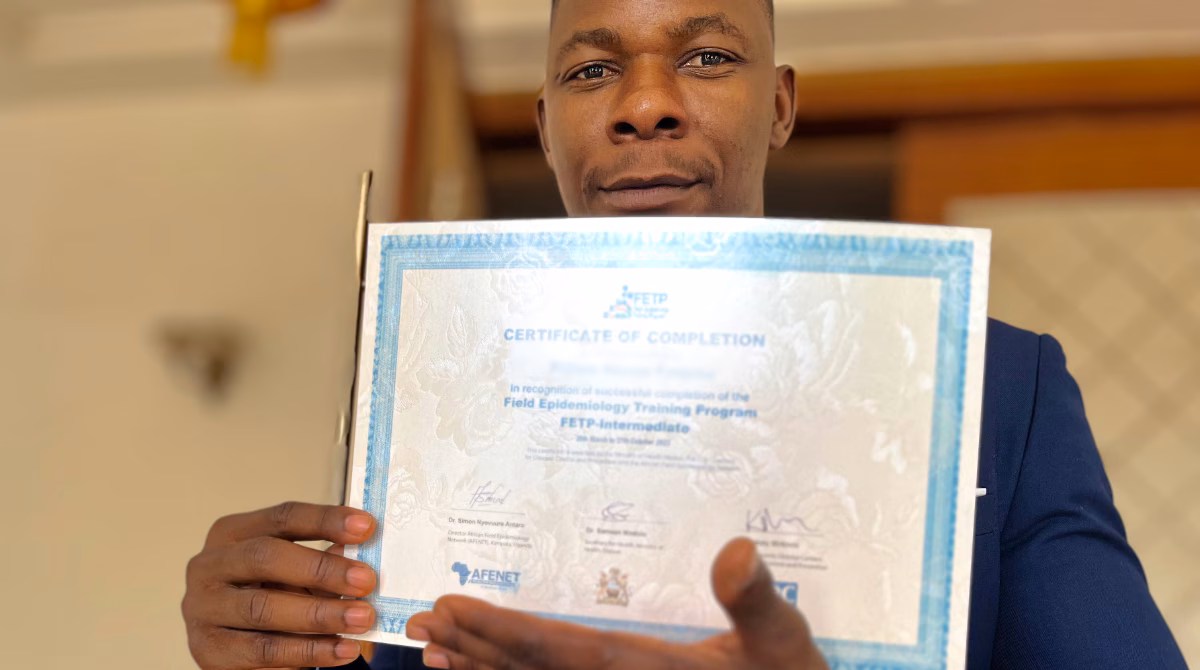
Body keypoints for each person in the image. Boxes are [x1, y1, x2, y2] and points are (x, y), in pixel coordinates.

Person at [180, 0, 1190, 668]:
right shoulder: (430, 390)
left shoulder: (998, 389)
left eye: (706, 57)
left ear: (782, 105)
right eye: (590, 72)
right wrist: (265, 640)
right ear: (543, 126)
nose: (646, 106)